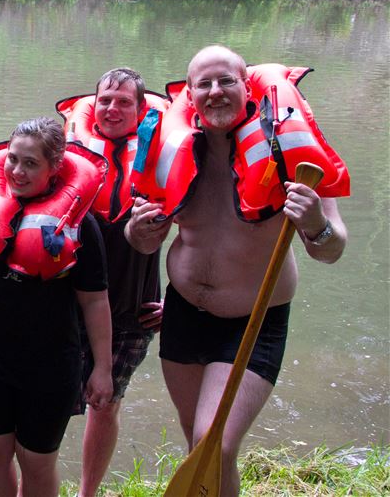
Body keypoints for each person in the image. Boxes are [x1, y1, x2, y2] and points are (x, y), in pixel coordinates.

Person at [126, 46, 348, 497]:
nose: (215, 92)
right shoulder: (175, 149)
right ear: (189, 94)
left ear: (246, 86)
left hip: (254, 320)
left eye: (226, 81)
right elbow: (146, 241)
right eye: (203, 85)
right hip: (185, 313)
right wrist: (138, 232)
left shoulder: (289, 149)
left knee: (217, 443)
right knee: (198, 444)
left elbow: (332, 250)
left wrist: (315, 224)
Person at [0, 117, 113, 497]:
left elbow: (95, 300)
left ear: (55, 169)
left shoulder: (79, 225)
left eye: (31, 163)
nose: (17, 171)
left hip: (51, 364)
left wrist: (102, 368)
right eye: (12, 159)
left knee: (35, 461)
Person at [57, 69, 164, 496]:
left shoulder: (165, 163)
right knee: (49, 402)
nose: (113, 109)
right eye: (105, 100)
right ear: (93, 105)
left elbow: (197, 236)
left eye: (124, 102)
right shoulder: (67, 160)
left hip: (133, 310)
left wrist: (180, 297)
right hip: (71, 306)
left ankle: (87, 493)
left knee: (105, 404)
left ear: (141, 111)